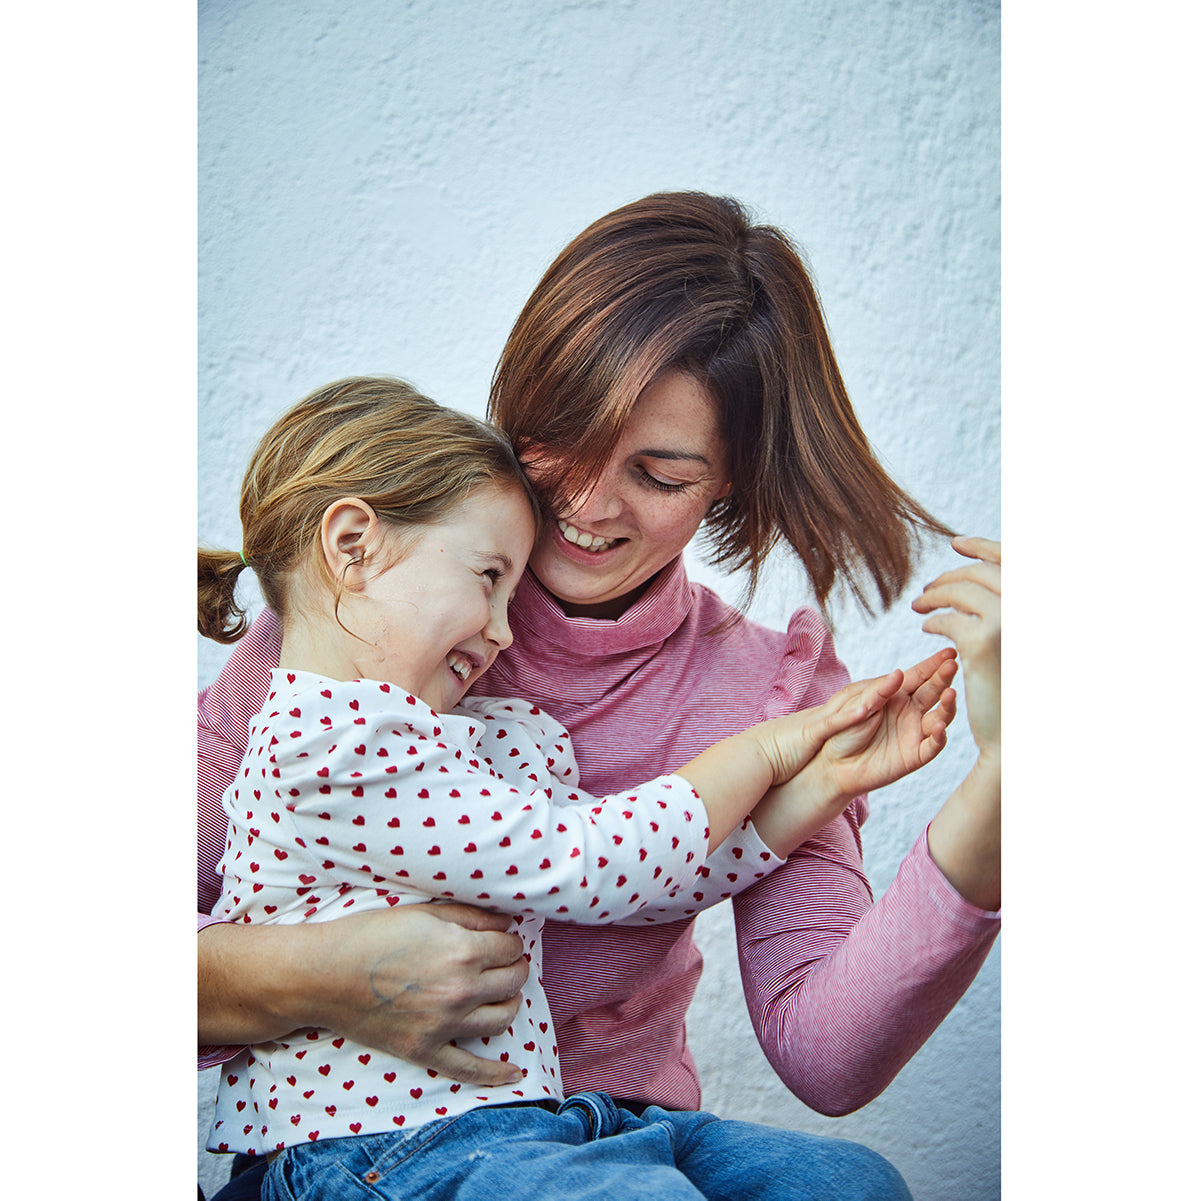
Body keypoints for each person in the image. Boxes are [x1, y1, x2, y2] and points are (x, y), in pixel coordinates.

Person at [198, 192, 1001, 1199]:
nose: (585, 503)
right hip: (377, 1146)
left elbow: (820, 1048)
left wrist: (999, 787)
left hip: (592, 1129)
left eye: (659, 475)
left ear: (731, 485)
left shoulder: (763, 684)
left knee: (850, 1186)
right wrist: (327, 976)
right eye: (562, 437)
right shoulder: (354, 651)